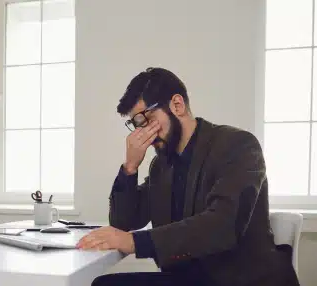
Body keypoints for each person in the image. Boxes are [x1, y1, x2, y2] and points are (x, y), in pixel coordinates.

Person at [76, 67, 300, 286]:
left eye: (146, 119)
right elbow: (123, 223)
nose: (143, 133)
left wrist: (135, 242)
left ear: (177, 104)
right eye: (136, 125)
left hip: (240, 279)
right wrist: (130, 167)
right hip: (189, 279)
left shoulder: (238, 145)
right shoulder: (161, 165)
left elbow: (223, 224)